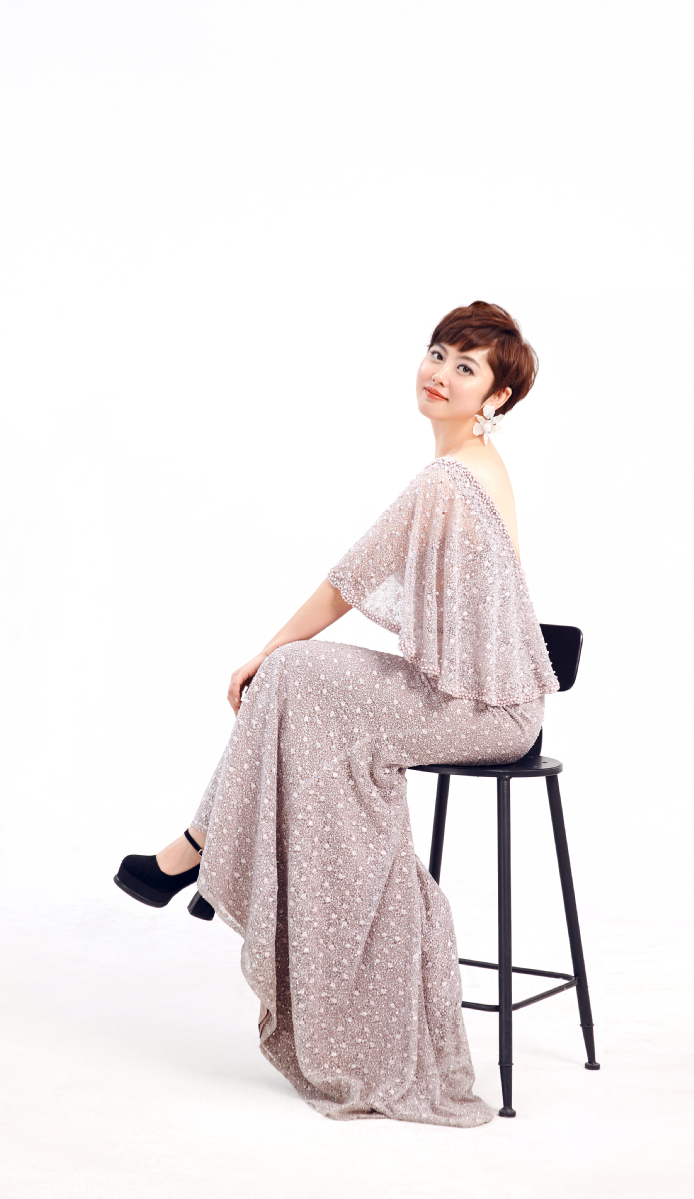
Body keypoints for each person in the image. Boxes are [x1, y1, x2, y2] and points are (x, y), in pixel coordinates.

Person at [114, 300, 560, 1126]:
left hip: (488, 710)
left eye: (466, 367)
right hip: (483, 694)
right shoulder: (469, 468)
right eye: (437, 353)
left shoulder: (451, 476)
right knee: (299, 684)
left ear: (495, 397)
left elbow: (348, 579)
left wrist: (263, 651)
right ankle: (206, 849)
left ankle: (203, 848)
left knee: (291, 671)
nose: (440, 373)